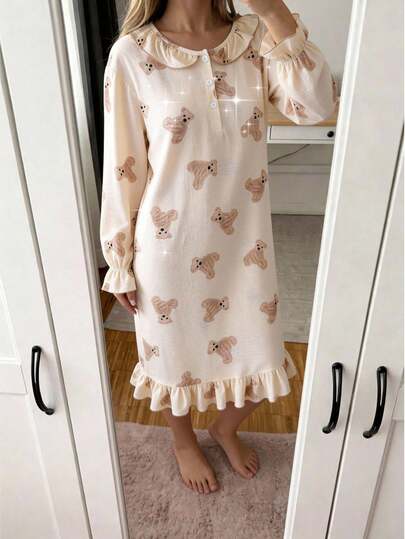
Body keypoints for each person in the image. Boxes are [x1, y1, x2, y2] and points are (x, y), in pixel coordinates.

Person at [100, 0, 337, 495]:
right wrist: (118, 257)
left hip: (245, 247)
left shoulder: (254, 38)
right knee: (172, 355)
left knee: (261, 351)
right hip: (166, 244)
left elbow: (316, 108)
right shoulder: (132, 54)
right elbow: (123, 165)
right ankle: (182, 439)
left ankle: (224, 428)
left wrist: (274, 12)